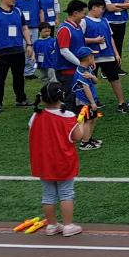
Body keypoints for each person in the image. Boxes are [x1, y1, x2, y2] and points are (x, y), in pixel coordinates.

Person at [28, 82, 88, 237]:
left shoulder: (35, 116)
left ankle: (52, 225)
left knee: (48, 195)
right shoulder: (68, 116)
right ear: (61, 97)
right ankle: (68, 225)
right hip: (63, 161)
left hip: (43, 162)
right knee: (66, 193)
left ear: (42, 99)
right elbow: (77, 137)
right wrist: (81, 123)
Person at [0, 0, 33, 113]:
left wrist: (29, 44)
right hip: (1, 52)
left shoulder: (18, 11)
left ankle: (21, 99)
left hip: (18, 50)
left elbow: (24, 28)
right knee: (0, 78)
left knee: (19, 77)